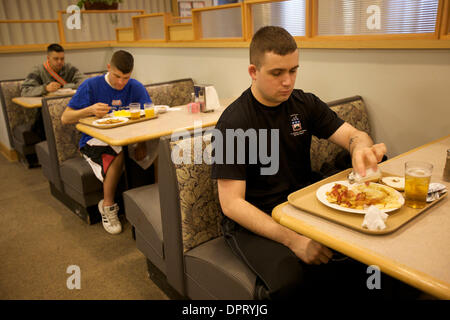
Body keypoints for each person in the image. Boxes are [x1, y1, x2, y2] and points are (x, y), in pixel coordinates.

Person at [211, 26, 417, 300]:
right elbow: (232, 204)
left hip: (300, 203)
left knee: (368, 252)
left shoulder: (303, 103)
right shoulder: (234, 123)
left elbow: (354, 135)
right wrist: (294, 240)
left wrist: (360, 150)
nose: (288, 81)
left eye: (293, 70)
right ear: (253, 72)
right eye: (277, 73)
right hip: (254, 218)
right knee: (291, 279)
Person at [61, 50, 152, 235]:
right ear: (109, 68)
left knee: (157, 149)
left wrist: (142, 144)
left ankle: (149, 206)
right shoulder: (91, 85)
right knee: (117, 152)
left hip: (128, 138)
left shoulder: (135, 87)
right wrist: (89, 110)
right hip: (94, 140)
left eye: (126, 78)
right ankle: (108, 205)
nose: (121, 82)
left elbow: (149, 114)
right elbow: (65, 117)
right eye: (117, 76)